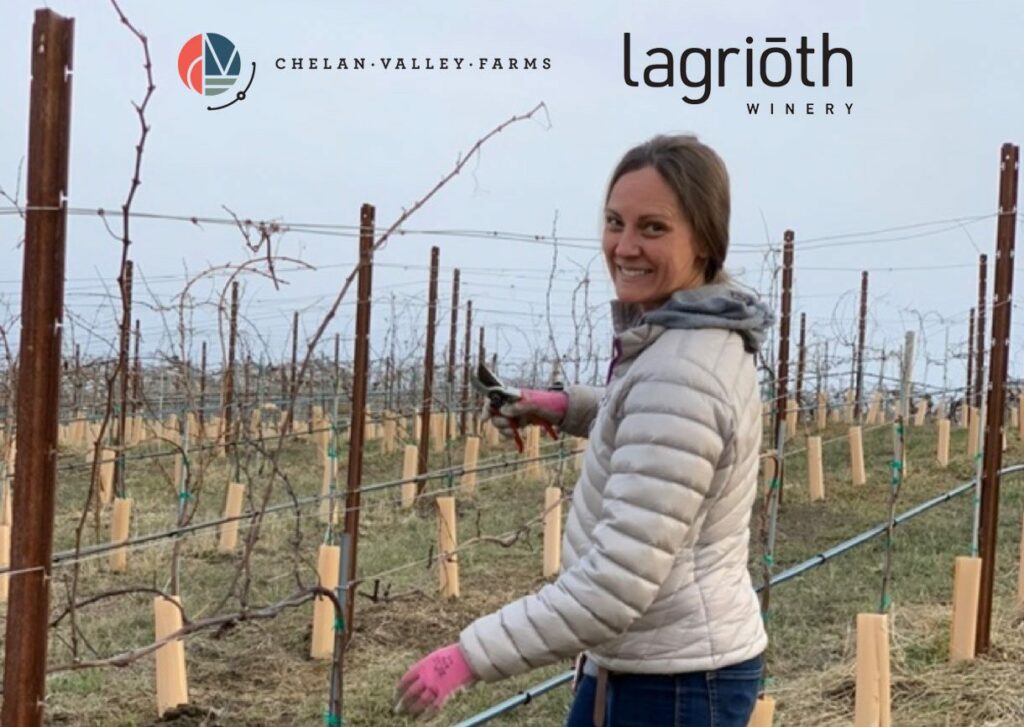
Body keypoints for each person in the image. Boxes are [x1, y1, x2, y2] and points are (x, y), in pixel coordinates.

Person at [395, 134, 773, 726]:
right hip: (661, 662)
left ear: (704, 238)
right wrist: (564, 407)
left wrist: (468, 655)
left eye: (653, 228)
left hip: (672, 684)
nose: (624, 246)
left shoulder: (681, 372)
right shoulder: (687, 340)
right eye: (615, 222)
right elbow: (649, 428)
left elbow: (612, 587)